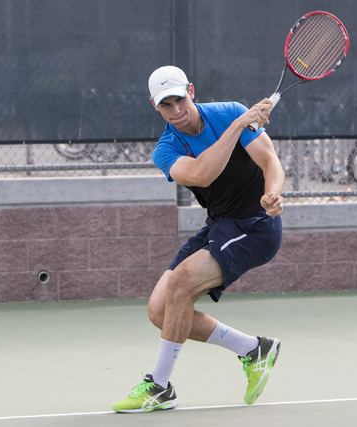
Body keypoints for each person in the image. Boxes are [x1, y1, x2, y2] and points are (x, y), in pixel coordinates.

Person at [112, 65, 285, 413]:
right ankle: (254, 349)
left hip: (255, 226)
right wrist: (239, 125)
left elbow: (270, 162)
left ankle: (159, 386)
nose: (176, 110)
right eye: (166, 105)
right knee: (160, 310)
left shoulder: (230, 111)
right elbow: (202, 176)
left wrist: (274, 194)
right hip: (220, 225)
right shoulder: (166, 149)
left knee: (180, 284)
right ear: (154, 106)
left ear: (191, 90)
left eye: (179, 99)